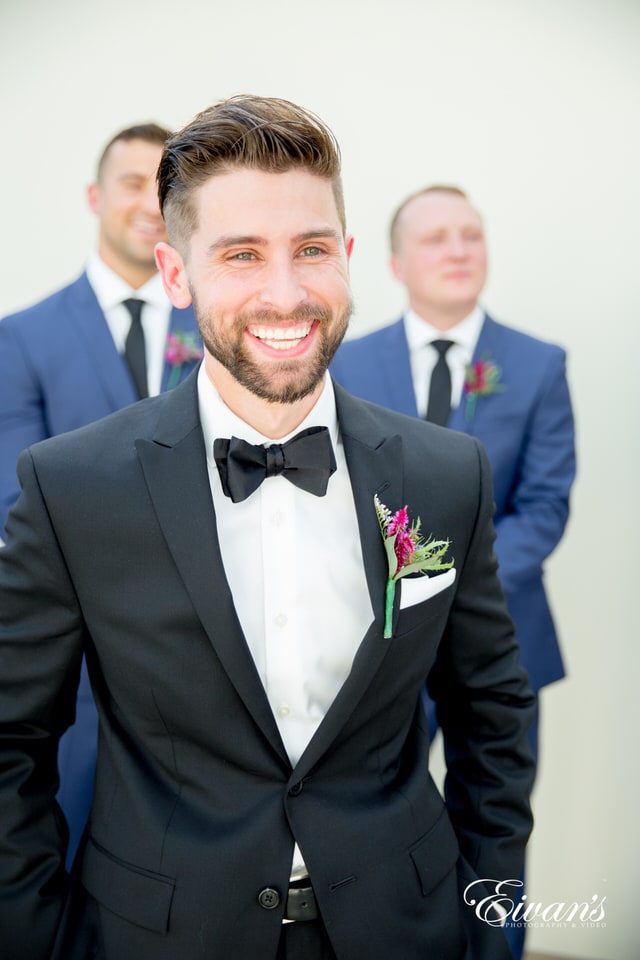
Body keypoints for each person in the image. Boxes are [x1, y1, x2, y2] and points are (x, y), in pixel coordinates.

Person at [0, 96, 536, 960]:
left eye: (312, 250)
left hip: (408, 932)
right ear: (176, 275)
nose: (285, 293)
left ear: (350, 259)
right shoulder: (71, 488)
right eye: (242, 254)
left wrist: (488, 931)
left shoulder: (447, 474)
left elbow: (492, 718)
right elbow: (9, 741)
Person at [330, 184, 576, 957]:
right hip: (374, 647)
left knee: (496, 823)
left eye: (471, 235)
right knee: (369, 823)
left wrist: (453, 591)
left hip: (502, 640)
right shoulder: (349, 358)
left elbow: (544, 507)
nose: (459, 250)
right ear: (397, 263)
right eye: (437, 238)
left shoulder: (536, 365)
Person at [0, 122, 201, 865]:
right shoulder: (23, 338)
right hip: (76, 661)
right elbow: (14, 499)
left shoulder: (224, 329)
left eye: (165, 186)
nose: (149, 202)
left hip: (202, 662)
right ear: (94, 196)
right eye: (130, 183)